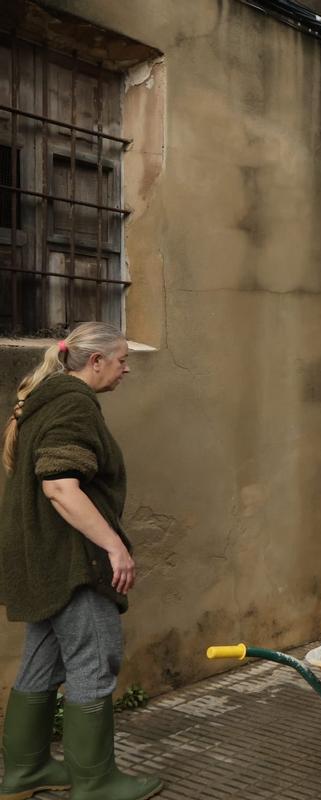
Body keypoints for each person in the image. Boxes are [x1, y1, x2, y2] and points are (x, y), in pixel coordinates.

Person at [0, 322, 163, 800]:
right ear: (95, 362)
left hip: (44, 562)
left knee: (41, 663)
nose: (126, 368)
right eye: (121, 360)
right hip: (73, 564)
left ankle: (25, 772)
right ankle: (95, 782)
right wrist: (114, 546)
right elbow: (59, 486)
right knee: (94, 660)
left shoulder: (44, 400)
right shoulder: (72, 404)